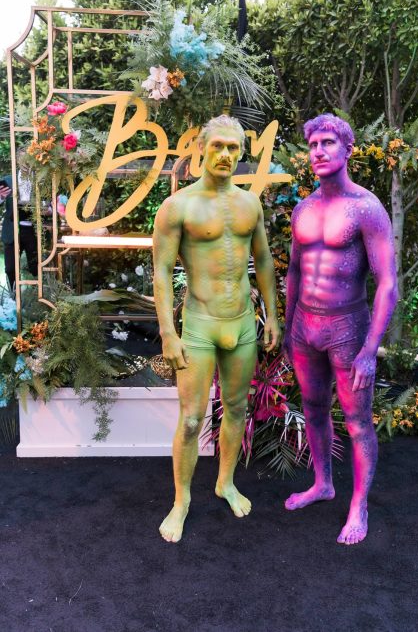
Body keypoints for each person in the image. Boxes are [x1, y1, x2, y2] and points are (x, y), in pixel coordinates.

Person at [153, 114, 280, 543]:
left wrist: (272, 315)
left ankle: (225, 482)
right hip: (200, 325)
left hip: (241, 323)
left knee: (237, 408)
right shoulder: (178, 206)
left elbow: (263, 261)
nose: (225, 154)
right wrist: (168, 333)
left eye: (233, 147)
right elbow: (161, 271)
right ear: (201, 149)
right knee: (192, 419)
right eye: (217, 146)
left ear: (241, 153)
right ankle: (181, 500)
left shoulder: (250, 204)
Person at [284, 113, 397, 545]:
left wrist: (370, 349)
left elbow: (387, 284)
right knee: (313, 409)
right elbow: (295, 270)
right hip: (305, 327)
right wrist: (288, 325)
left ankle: (358, 505)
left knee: (357, 421)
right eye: (313, 144)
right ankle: (323, 484)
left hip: (348, 327)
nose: (319, 151)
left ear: (348, 150)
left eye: (328, 142)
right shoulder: (303, 209)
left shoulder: (366, 208)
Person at [0, 169, 38, 292]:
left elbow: (49, 203)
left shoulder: (41, 179)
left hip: (33, 230)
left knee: (36, 267)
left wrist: (49, 209)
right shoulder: (8, 180)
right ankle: (14, 295)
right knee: (10, 269)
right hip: (11, 229)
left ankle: (37, 295)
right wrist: (1, 197)